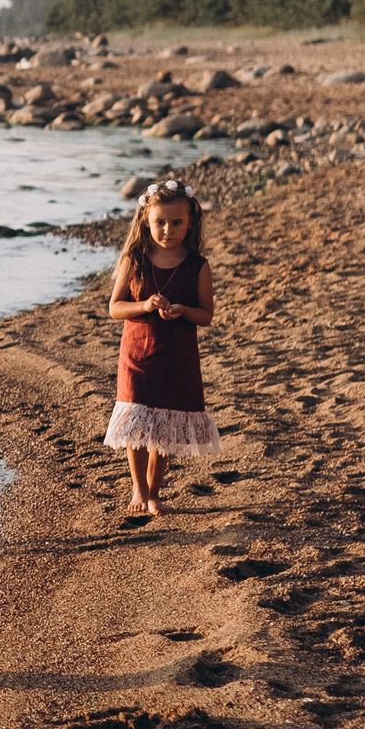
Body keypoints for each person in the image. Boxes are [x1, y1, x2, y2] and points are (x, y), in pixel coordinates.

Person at [103, 177, 222, 513]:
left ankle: (154, 492)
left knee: (166, 427)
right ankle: (138, 490)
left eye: (176, 223)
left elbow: (206, 315)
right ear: (146, 221)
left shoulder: (198, 266)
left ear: (190, 223)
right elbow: (115, 307)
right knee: (137, 423)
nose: (167, 230)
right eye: (160, 223)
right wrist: (144, 306)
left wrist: (183, 310)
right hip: (138, 355)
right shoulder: (134, 259)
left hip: (177, 357)